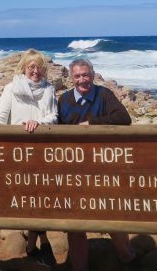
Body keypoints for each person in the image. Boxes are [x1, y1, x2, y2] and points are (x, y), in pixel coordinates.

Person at [58, 58, 135, 271]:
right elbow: (57, 130)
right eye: (77, 76)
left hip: (103, 167)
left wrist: (92, 124)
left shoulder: (104, 95)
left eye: (86, 75)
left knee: (110, 214)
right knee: (74, 222)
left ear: (92, 75)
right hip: (73, 168)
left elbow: (123, 118)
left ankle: (127, 257)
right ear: (71, 78)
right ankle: (79, 267)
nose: (82, 80)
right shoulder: (64, 100)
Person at [0, 49, 58, 266]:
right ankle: (42, 243)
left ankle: (32, 245)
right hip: (17, 153)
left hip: (42, 153)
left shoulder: (49, 89)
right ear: (23, 69)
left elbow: (54, 117)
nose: (35, 71)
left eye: (39, 67)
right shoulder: (11, 89)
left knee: (39, 198)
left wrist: (39, 123)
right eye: (31, 67)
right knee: (30, 197)